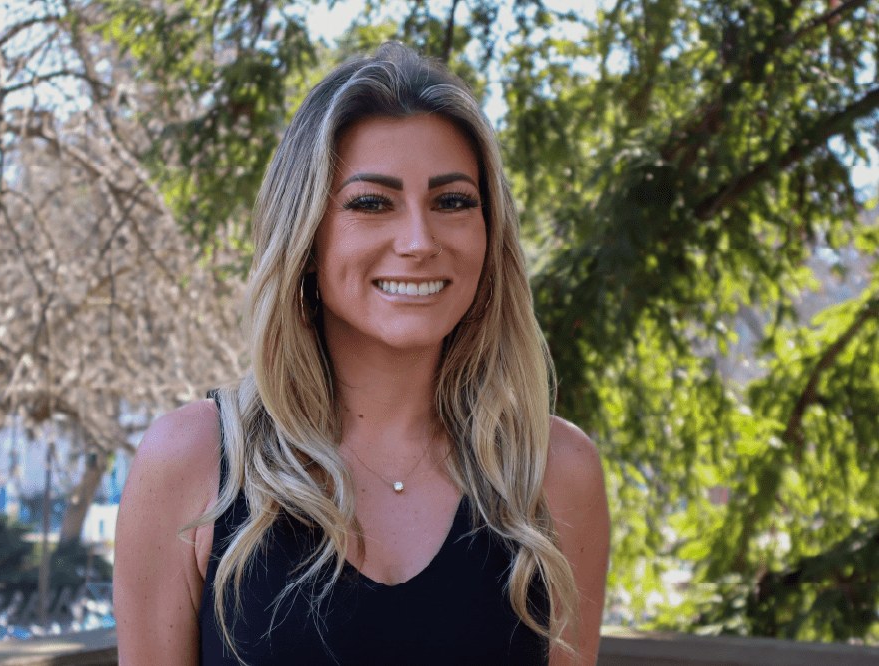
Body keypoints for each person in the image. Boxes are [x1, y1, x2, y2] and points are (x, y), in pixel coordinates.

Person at [113, 42, 609, 666]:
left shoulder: (555, 470)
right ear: (306, 233)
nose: (419, 241)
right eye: (372, 203)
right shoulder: (189, 464)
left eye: (452, 201)